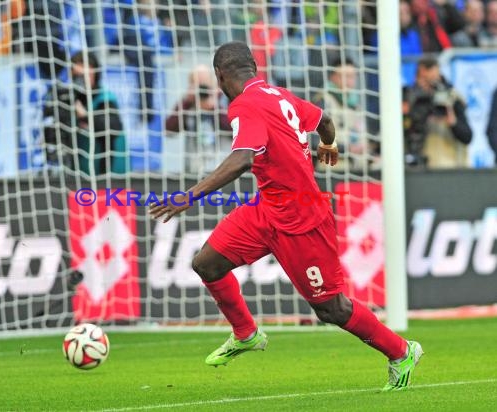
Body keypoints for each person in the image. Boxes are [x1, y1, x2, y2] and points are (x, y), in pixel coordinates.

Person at [150, 41, 423, 391]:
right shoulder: (278, 94)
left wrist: (189, 196)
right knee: (207, 263)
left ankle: (401, 351)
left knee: (331, 309)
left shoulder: (244, 106)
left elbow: (242, 159)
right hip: (267, 208)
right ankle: (246, 333)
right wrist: (328, 144)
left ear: (220, 76)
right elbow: (324, 119)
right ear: (253, 67)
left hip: (302, 218)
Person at [43, 51, 127, 176]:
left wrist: (85, 116)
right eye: (77, 76)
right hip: (81, 177)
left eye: (85, 75)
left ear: (95, 74)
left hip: (111, 175)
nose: (81, 80)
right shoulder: (69, 99)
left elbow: (113, 128)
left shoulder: (105, 99)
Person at [402, 56, 472, 168]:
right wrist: (406, 113)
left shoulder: (451, 98)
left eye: (435, 80)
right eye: (425, 82)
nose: (429, 89)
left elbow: (467, 136)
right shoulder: (406, 98)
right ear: (420, 73)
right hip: (416, 166)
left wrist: (454, 123)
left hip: (449, 166)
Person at [165, 64, 231, 174]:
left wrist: (215, 108)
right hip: (194, 169)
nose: (202, 88)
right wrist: (187, 101)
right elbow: (169, 130)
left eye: (204, 82)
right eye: (197, 83)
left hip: (224, 169)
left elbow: (236, 130)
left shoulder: (225, 99)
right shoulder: (187, 104)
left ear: (213, 82)